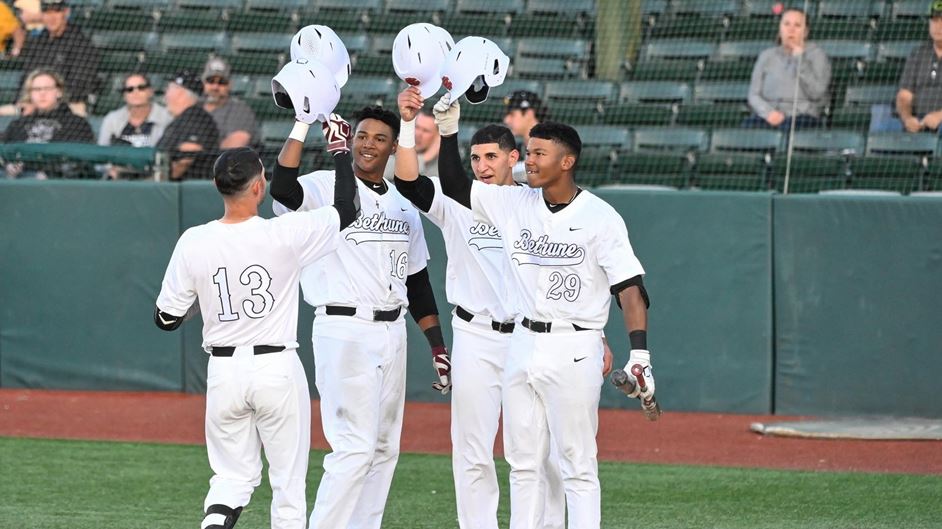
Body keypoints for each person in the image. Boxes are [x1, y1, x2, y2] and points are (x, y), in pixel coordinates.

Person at [394, 87, 615, 529]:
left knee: (541, 451)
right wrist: (409, 124)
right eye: (475, 159)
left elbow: (568, 281)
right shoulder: (459, 200)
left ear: (515, 158)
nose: (482, 166)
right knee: (471, 447)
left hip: (530, 337)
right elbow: (407, 181)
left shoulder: (534, 204)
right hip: (475, 335)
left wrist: (597, 337)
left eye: (492, 157)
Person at [436, 92, 654, 529]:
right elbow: (458, 187)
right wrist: (447, 132)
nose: (528, 161)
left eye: (538, 153)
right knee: (523, 462)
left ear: (567, 161)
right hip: (523, 340)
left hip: (574, 345)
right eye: (528, 152)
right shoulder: (515, 203)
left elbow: (630, 289)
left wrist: (640, 355)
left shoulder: (600, 216)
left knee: (576, 463)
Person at [153, 126, 360, 529]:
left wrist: (205, 298)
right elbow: (349, 209)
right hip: (276, 368)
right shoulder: (284, 232)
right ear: (259, 186)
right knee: (287, 487)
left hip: (224, 373)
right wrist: (338, 150)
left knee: (231, 480)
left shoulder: (193, 240)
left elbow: (166, 319)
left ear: (217, 186)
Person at [269, 105, 449, 529]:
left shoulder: (404, 201)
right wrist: (306, 128)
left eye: (379, 138)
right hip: (343, 326)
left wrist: (438, 346)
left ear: (392, 148)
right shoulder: (323, 184)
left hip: (393, 330)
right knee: (353, 448)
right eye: (362, 135)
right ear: (350, 140)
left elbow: (418, 282)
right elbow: (282, 190)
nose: (368, 144)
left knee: (384, 448)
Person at [742, 7, 830, 131]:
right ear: (780, 28)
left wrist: (800, 60)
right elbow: (753, 94)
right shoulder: (767, 55)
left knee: (788, 128)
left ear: (805, 32)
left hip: (801, 116)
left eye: (797, 25)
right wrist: (768, 113)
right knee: (748, 126)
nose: (791, 30)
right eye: (786, 24)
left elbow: (817, 93)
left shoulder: (817, 55)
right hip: (769, 115)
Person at [3, 68, 93, 178]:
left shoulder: (77, 124)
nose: (42, 93)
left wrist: (50, 173)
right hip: (18, 183)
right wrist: (9, 166)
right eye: (36, 89)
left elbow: (80, 161)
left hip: (58, 186)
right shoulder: (17, 125)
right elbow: (5, 153)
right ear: (30, 94)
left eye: (48, 88)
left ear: (59, 92)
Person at [19, 0, 99, 116]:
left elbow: (80, 84)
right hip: (35, 102)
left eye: (56, 12)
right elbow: (27, 75)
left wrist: (49, 100)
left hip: (68, 105)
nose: (51, 17)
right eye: (47, 12)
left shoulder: (81, 42)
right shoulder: (38, 41)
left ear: (66, 12)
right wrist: (27, 100)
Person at [156, 69, 219, 181]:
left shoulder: (196, 118)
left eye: (169, 88)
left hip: (188, 191)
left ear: (180, 92)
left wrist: (157, 182)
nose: (166, 94)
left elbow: (185, 161)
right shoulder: (182, 118)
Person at [896, 1, 942, 133]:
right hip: (918, 122)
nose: (937, 26)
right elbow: (904, 96)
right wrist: (908, 118)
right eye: (933, 20)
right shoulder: (918, 54)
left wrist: (939, 116)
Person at [98, 73, 171, 148]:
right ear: (124, 96)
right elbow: (102, 151)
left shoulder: (167, 118)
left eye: (141, 88)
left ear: (150, 92)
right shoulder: (112, 120)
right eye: (130, 89)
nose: (135, 92)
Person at [202, 56, 260, 149]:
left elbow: (237, 143)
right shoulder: (194, 108)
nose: (215, 87)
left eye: (221, 82)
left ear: (230, 85)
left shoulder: (239, 110)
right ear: (204, 83)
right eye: (211, 81)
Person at [503, 90, 547, 182]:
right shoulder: (521, 146)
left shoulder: (549, 142)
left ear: (528, 114)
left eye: (512, 114)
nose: (506, 120)